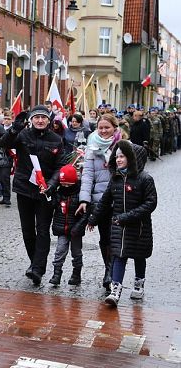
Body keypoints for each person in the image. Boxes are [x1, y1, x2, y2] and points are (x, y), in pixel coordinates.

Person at [0, 105, 65, 285]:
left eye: (44, 117)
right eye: (37, 118)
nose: (40, 121)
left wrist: (51, 184)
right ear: (32, 120)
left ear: (49, 120)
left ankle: (38, 269)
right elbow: (4, 143)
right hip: (24, 189)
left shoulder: (57, 140)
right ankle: (34, 262)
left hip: (45, 192)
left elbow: (60, 167)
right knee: (28, 230)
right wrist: (14, 128)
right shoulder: (23, 135)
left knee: (42, 230)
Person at [88, 140, 157, 307]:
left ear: (133, 158)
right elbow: (105, 201)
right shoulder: (116, 179)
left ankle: (139, 283)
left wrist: (128, 216)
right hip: (119, 226)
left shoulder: (145, 179)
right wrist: (93, 218)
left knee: (139, 256)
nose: (118, 160)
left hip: (139, 228)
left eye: (122, 156)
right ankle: (115, 289)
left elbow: (150, 203)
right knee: (118, 255)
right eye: (117, 156)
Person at [76, 113, 122, 290]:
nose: (103, 131)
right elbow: (87, 175)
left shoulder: (123, 146)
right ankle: (108, 269)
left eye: (107, 127)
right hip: (100, 200)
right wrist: (85, 199)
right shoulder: (92, 146)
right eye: (100, 128)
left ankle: (113, 272)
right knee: (105, 237)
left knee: (114, 236)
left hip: (118, 200)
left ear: (114, 128)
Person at [49, 164, 88, 286]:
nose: (65, 186)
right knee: (59, 251)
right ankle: (56, 274)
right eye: (63, 184)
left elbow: (85, 214)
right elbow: (52, 206)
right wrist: (49, 195)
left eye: (68, 184)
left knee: (76, 253)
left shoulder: (80, 194)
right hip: (62, 228)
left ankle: (76, 274)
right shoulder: (59, 192)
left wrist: (78, 227)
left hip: (75, 230)